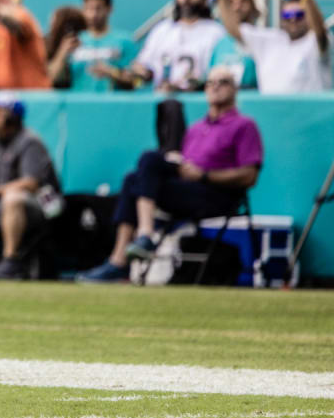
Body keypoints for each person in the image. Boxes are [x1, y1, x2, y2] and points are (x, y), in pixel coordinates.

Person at [78, 66, 262, 282]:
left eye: (223, 82)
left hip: (217, 194)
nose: (216, 87)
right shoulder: (195, 128)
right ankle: (122, 257)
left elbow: (250, 176)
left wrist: (204, 176)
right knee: (136, 174)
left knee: (144, 168)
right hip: (187, 189)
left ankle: (141, 240)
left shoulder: (244, 126)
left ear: (235, 89)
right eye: (210, 83)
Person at [0, 93, 60, 280]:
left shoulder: (29, 141)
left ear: (11, 117)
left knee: (13, 198)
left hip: (45, 205)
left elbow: (31, 183)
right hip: (2, 202)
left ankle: (11, 260)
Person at [218, 0, 331, 94]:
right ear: (281, 19)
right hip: (271, 111)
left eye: (299, 14)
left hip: (310, 111)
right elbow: (233, 28)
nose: (293, 19)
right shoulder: (270, 39)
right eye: (287, 15)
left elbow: (319, 29)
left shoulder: (314, 41)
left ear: (307, 17)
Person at [125, 0, 226, 91]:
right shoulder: (162, 29)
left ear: (204, 0)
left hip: (199, 96)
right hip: (162, 96)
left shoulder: (216, 31)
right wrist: (141, 70)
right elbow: (145, 66)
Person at [67, 0, 137, 92]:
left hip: (112, 106)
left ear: (109, 9)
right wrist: (62, 53)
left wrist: (111, 72)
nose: (93, 14)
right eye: (88, 8)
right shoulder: (73, 41)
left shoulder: (125, 41)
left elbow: (136, 82)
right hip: (79, 106)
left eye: (98, 8)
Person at [0, 0, 50, 90]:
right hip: (0, 100)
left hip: (31, 97)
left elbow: (17, 26)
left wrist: (7, 9)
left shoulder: (22, 15)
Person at [208, 0, 259, 88]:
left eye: (243, 1)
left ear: (254, 6)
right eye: (231, 2)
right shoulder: (219, 43)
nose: (237, 7)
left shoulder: (262, 39)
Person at [45, 6, 87, 90]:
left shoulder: (85, 47)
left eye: (54, 24)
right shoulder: (44, 46)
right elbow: (47, 78)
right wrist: (63, 52)